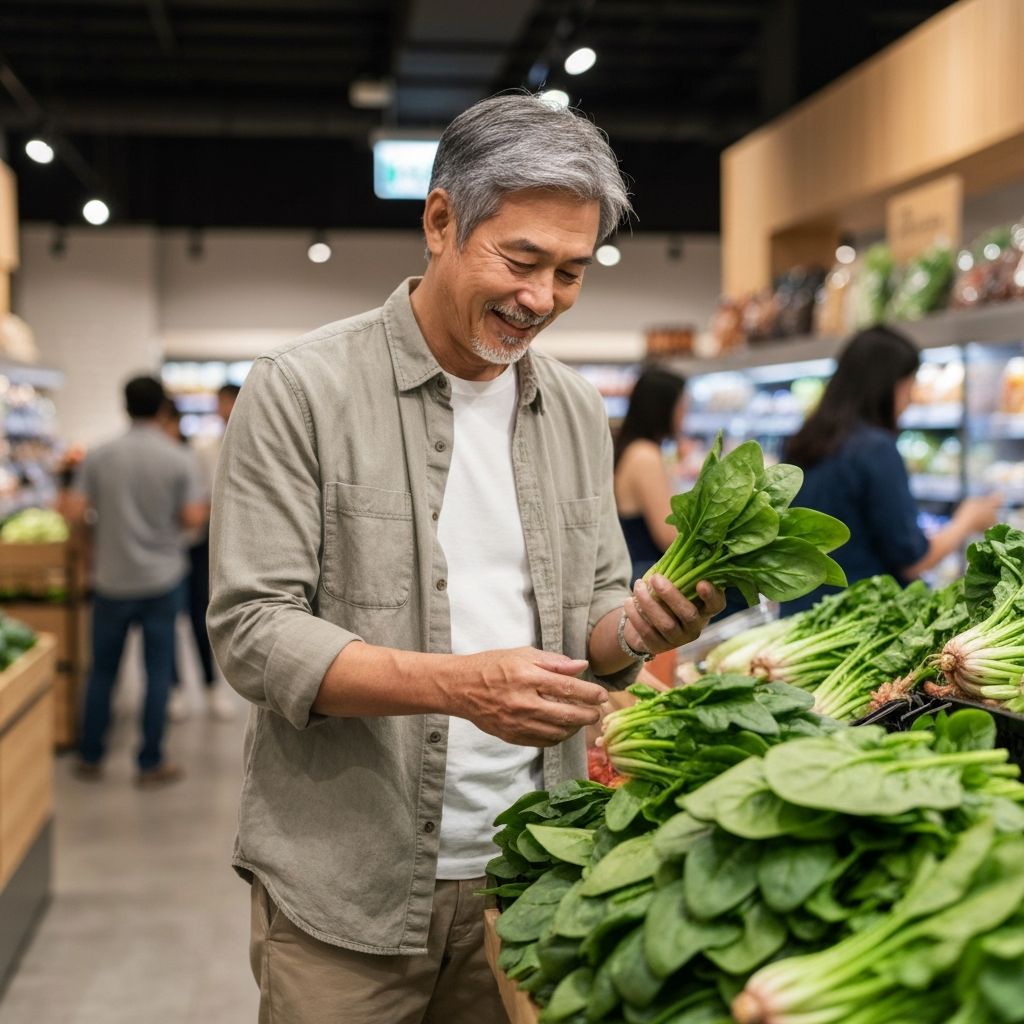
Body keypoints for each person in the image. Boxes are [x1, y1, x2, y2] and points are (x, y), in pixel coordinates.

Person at [207, 93, 725, 1024]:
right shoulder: (302, 390)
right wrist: (458, 686)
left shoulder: (574, 410)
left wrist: (640, 628)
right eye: (520, 261)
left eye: (570, 272)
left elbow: (594, 616)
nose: (542, 298)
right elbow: (253, 632)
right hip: (347, 890)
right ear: (441, 222)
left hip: (531, 876)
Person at [782, 326, 1000, 613]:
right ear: (886, 386)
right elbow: (913, 561)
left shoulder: (805, 440)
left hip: (803, 611)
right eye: (909, 385)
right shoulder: (875, 449)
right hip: (862, 616)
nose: (910, 398)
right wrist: (967, 520)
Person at [68, 375, 208, 787]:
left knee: (102, 671)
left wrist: (91, 549)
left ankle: (90, 755)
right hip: (162, 580)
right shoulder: (177, 457)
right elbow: (193, 519)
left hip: (111, 579)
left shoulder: (100, 455)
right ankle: (150, 762)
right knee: (158, 673)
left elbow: (74, 511)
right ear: (163, 409)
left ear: (125, 406)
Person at [167, 385, 239, 721]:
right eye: (220, 403)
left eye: (227, 402)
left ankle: (212, 687)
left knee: (208, 617)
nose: (223, 409)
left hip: (222, 542)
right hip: (196, 542)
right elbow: (195, 502)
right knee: (187, 616)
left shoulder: (253, 441)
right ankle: (182, 689)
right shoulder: (202, 449)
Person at [613, 366, 686, 583]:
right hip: (646, 576)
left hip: (638, 572)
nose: (684, 415)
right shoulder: (645, 455)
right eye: (681, 407)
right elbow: (668, 536)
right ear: (663, 408)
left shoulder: (634, 448)